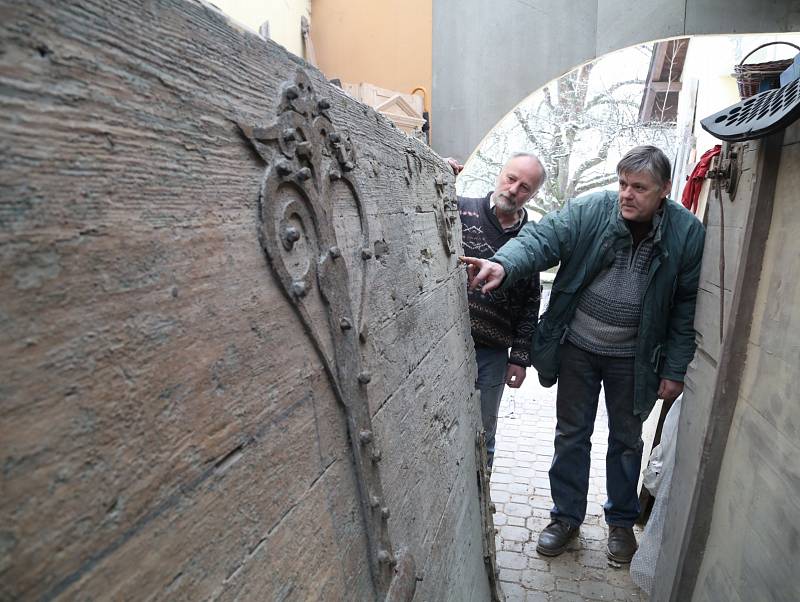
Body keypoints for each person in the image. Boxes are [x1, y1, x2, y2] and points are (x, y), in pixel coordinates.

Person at [460, 146, 704, 563]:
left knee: (627, 441)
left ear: (664, 190)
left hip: (635, 357)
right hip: (578, 347)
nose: (627, 194)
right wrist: (504, 264)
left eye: (639, 188)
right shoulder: (591, 210)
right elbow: (541, 238)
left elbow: (685, 308)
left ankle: (621, 525)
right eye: (623, 184)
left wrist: (676, 368)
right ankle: (565, 519)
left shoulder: (687, 234)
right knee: (571, 435)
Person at [451, 153, 546, 468]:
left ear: (532, 195)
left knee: (483, 432)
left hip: (491, 353)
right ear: (500, 174)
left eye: (524, 187)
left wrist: (520, 357)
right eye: (511, 178)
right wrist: (439, 177)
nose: (513, 189)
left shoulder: (531, 241)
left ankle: (481, 499)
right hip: (445, 342)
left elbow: (531, 302)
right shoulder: (459, 208)